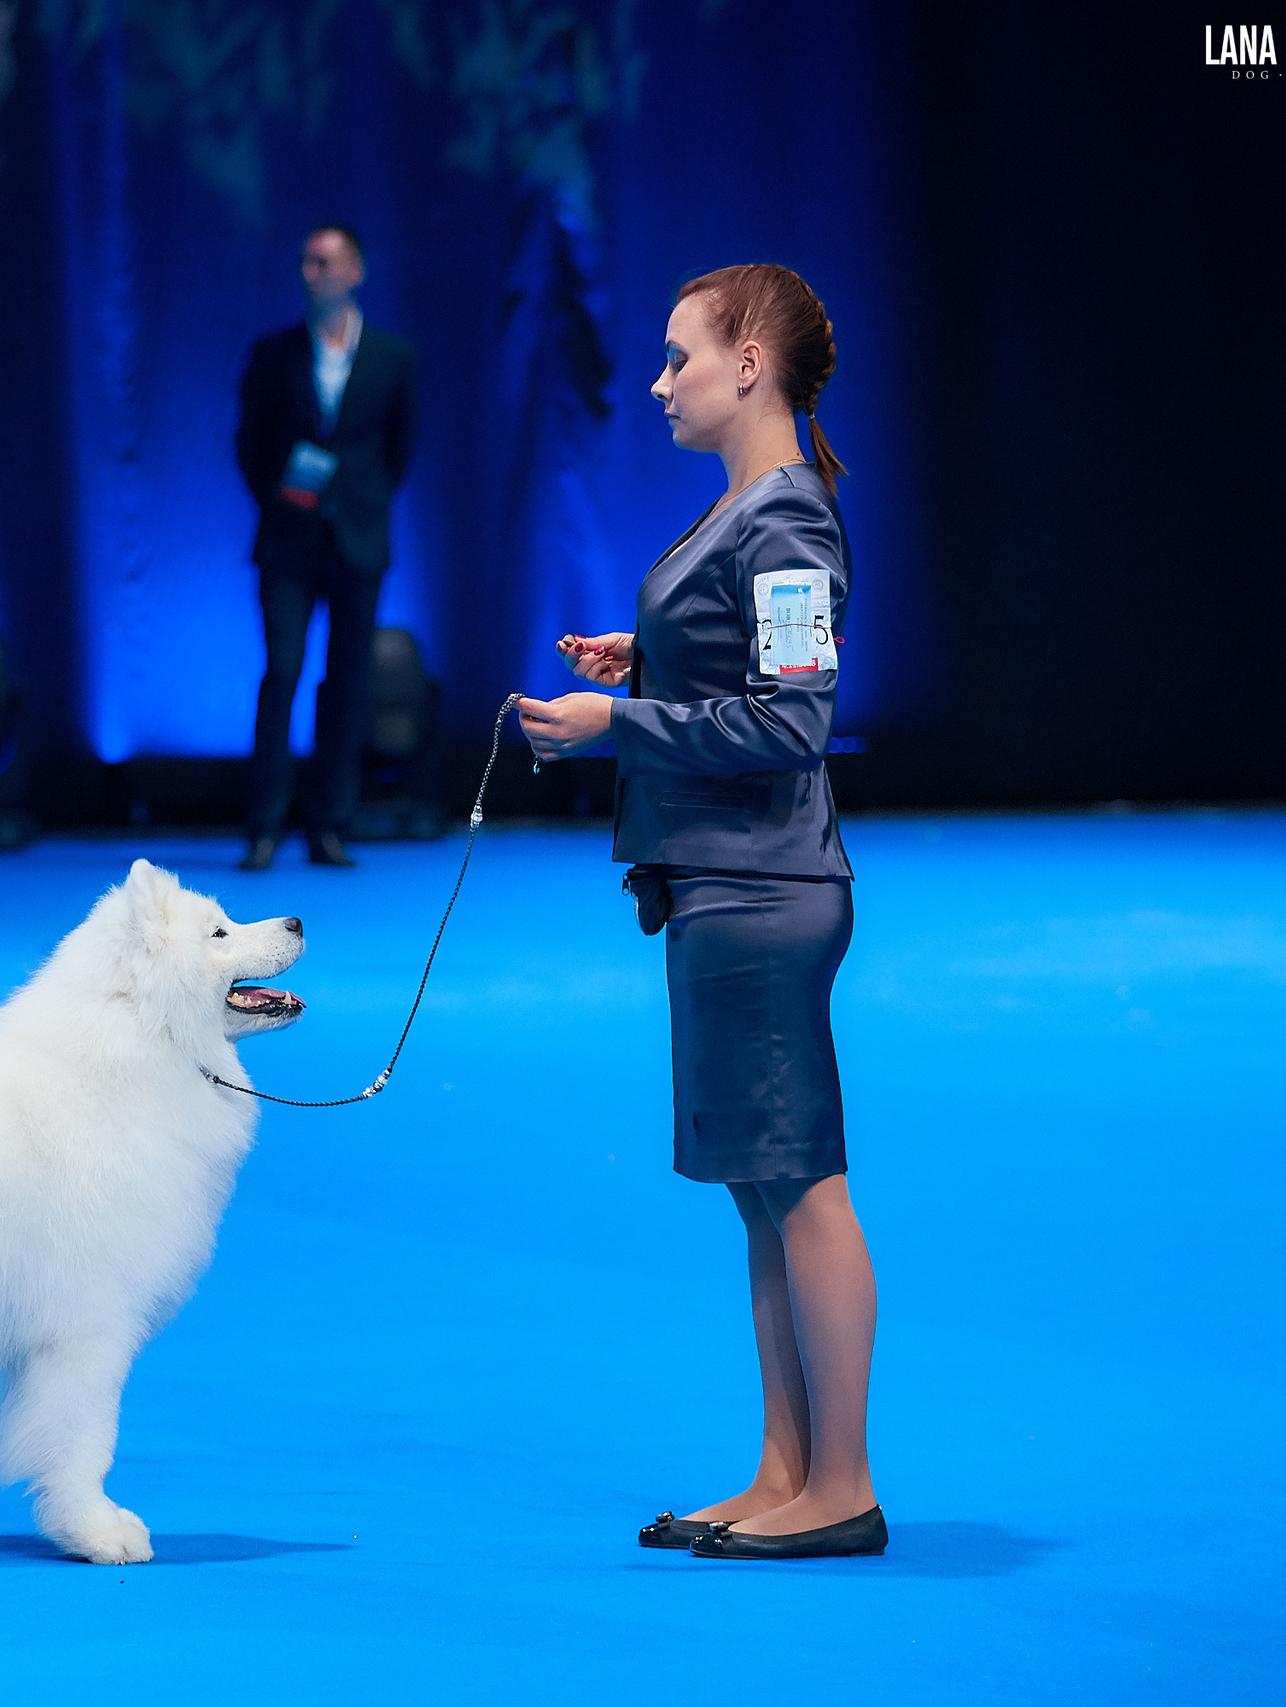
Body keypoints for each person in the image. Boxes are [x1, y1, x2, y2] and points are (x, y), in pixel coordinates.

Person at [515, 264, 883, 1561]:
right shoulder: (746, 512)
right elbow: (738, 668)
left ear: (749, 363)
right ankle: (786, 1467)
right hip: (720, 884)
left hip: (765, 888)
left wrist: (619, 720)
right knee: (759, 1190)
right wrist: (650, 663)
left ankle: (840, 1479)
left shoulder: (784, 521)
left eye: (679, 357)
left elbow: (794, 721)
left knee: (803, 1183)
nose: (661, 381)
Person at [233, 223, 419, 871]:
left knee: (347, 683)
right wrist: (286, 500)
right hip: (287, 542)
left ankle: (329, 824)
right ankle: (263, 824)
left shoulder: (393, 357)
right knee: (281, 673)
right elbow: (249, 448)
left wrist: (358, 500)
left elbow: (399, 450)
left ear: (356, 271)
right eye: (308, 262)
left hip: (358, 541)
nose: (315, 273)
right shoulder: (272, 353)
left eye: (328, 262)